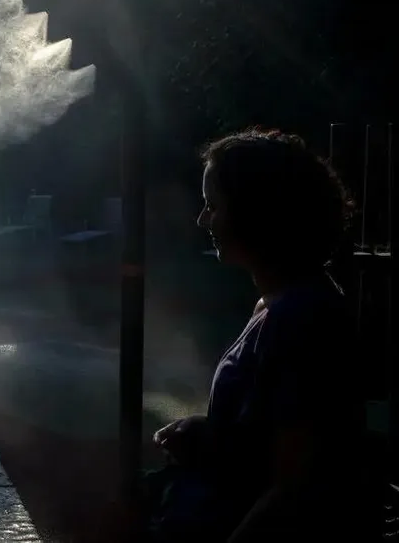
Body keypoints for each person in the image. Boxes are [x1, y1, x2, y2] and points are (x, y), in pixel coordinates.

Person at [144, 128, 377, 541]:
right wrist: (211, 432)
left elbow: (295, 487)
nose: (202, 219)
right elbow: (266, 441)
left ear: (256, 211)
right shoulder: (277, 304)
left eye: (212, 205)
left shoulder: (299, 318)